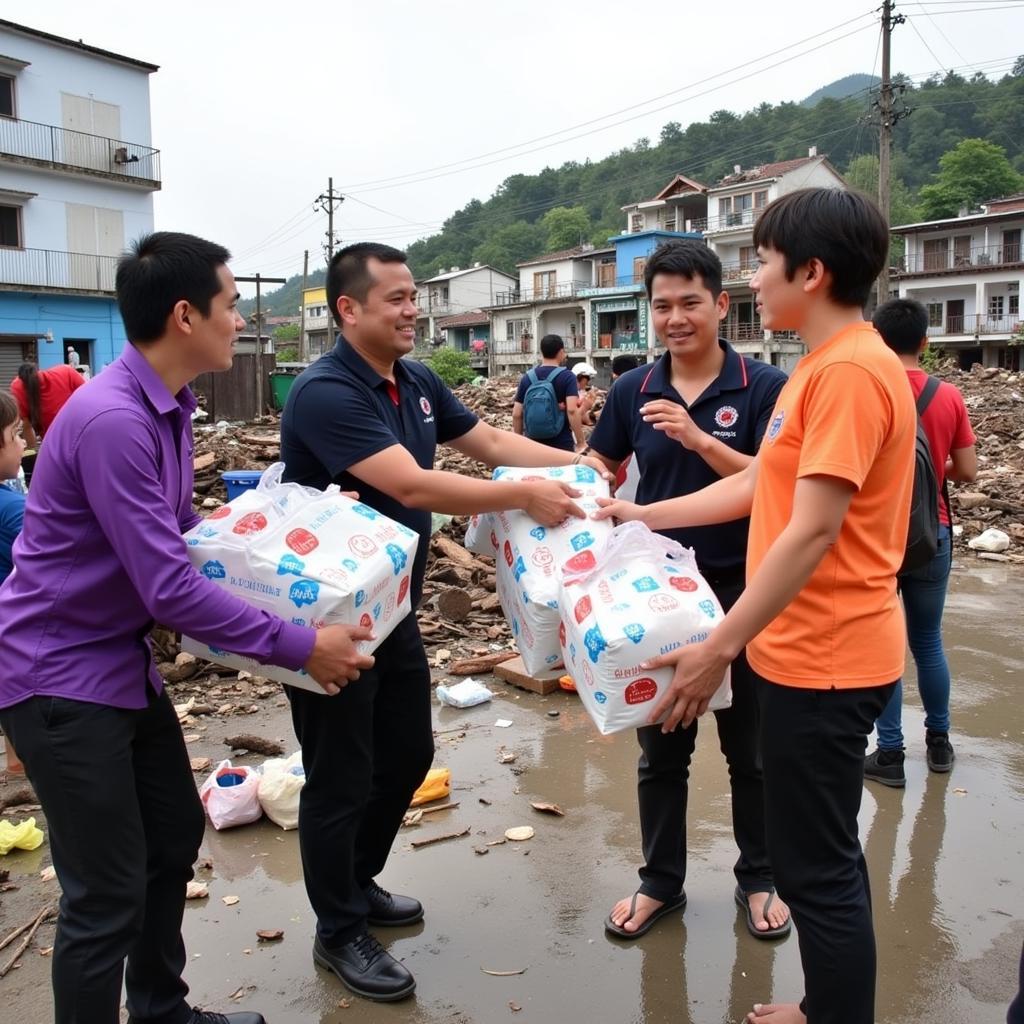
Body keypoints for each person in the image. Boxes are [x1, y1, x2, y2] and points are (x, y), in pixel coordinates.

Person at [0, 231, 377, 1024]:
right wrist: (302, 644)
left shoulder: (165, 408)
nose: (240, 319)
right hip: (59, 678)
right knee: (103, 892)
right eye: (232, 304)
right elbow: (169, 585)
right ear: (184, 315)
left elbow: (188, 536)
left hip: (116, 669)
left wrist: (290, 548)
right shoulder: (112, 420)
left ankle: (162, 1010)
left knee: (171, 841)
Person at [594, 188, 916, 1024]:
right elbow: (753, 488)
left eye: (762, 262)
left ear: (810, 272)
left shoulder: (843, 372)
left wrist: (717, 646)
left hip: (828, 656)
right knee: (816, 855)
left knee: (818, 869)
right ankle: (823, 1005)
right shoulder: (824, 367)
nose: (755, 278)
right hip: (803, 650)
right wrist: (640, 513)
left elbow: (809, 534)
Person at [279, 242, 611, 1004]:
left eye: (413, 295)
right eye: (395, 298)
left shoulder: (418, 381)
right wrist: (522, 498)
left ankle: (355, 884)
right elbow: (413, 484)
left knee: (406, 753)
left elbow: (486, 443)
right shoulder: (327, 393)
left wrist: (570, 465)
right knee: (338, 777)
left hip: (390, 611)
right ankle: (338, 932)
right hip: (329, 621)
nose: (412, 309)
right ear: (348, 310)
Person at [586, 240, 789, 942]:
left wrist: (701, 439)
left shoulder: (763, 387)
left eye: (689, 303)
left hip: (743, 586)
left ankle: (759, 877)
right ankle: (659, 883)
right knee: (662, 747)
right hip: (656, 594)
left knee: (752, 747)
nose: (676, 318)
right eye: (662, 305)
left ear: (721, 304)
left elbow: (775, 484)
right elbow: (599, 469)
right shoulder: (632, 389)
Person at [863, 298, 976, 787]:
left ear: (877, 340)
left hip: (877, 538)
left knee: (884, 645)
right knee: (927, 642)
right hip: (935, 532)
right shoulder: (947, 396)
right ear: (925, 344)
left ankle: (889, 754)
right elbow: (968, 471)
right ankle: (940, 744)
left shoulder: (869, 390)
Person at [0, 391, 26, 777]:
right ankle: (20, 760)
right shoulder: (13, 508)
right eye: (15, 434)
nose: (23, 443)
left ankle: (15, 761)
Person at [512, 333, 586, 451]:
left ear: (541, 352)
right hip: (561, 443)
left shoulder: (527, 377)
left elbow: (517, 414)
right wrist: (581, 443)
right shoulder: (567, 377)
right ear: (561, 352)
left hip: (532, 444)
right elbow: (572, 411)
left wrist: (519, 443)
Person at [10, 360, 85, 450]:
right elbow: (89, 400)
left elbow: (27, 426)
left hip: (52, 445)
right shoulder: (66, 372)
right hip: (79, 436)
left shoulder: (18, 386)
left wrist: (32, 454)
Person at [572, 361, 599, 427]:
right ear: (581, 378)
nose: (587, 383)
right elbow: (573, 416)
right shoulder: (571, 393)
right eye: (587, 379)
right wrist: (586, 406)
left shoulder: (579, 390)